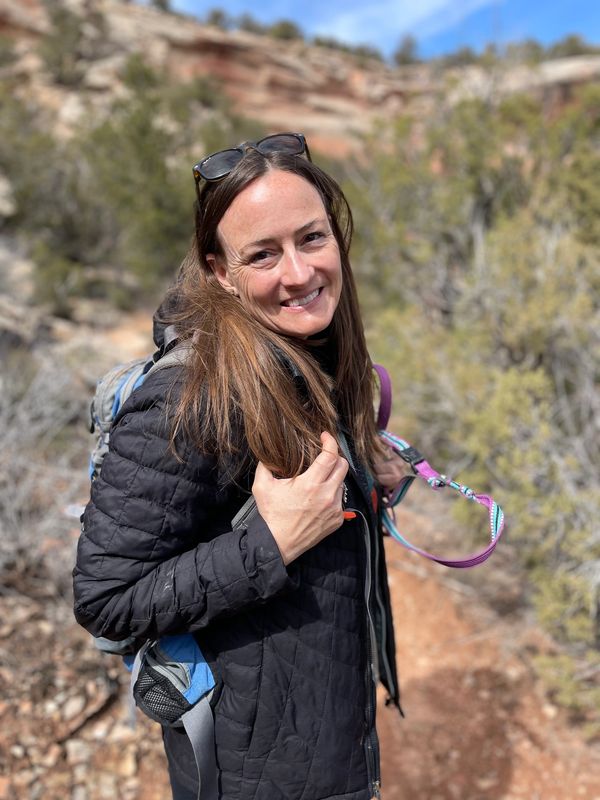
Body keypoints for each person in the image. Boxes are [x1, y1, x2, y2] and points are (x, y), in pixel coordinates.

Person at [73, 132, 408, 800]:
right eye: (263, 253)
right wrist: (271, 544)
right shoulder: (189, 393)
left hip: (326, 736)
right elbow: (105, 600)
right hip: (254, 769)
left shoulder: (302, 348)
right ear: (220, 271)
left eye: (311, 238)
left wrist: (364, 475)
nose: (298, 271)